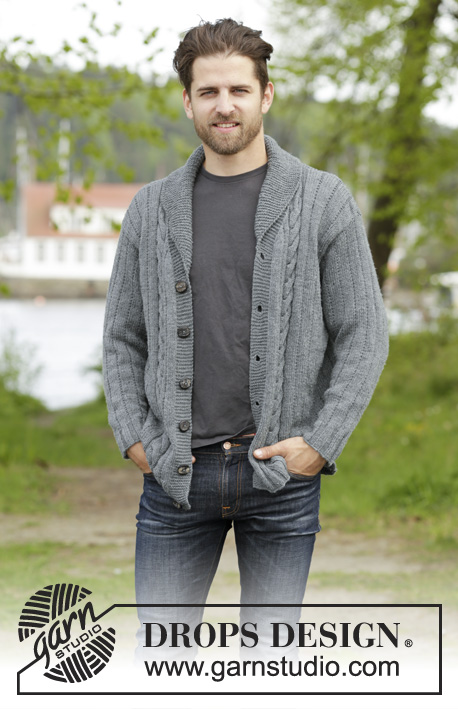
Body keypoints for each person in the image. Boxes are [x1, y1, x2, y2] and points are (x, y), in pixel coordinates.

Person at [102, 18, 389, 660]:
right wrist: (135, 435)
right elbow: (122, 336)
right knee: (162, 666)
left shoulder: (323, 201)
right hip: (176, 475)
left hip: (280, 478)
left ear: (266, 95)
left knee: (270, 667)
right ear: (188, 101)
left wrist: (321, 443)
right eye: (208, 92)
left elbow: (364, 335)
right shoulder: (150, 209)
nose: (224, 105)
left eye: (238, 89)